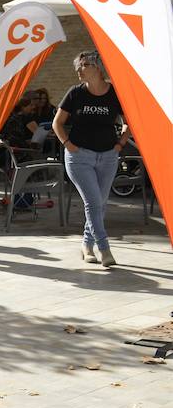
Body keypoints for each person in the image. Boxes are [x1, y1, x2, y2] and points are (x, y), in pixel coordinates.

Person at [53, 51, 128, 267]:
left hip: (108, 156)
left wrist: (120, 144)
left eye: (85, 65)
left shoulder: (115, 92)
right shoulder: (75, 93)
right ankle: (104, 249)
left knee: (99, 204)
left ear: (98, 67)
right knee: (94, 202)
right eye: (79, 65)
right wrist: (68, 145)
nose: (80, 69)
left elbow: (129, 121)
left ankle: (87, 245)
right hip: (79, 157)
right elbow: (57, 123)